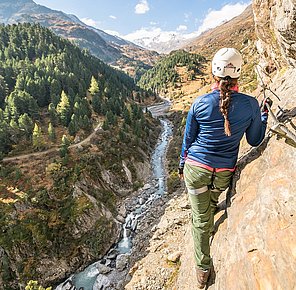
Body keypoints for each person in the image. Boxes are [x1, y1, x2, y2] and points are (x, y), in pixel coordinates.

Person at [178, 47, 270, 289]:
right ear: (239, 75)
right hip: (223, 172)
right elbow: (254, 140)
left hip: (196, 169)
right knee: (210, 201)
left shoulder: (200, 103)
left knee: (199, 218)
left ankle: (203, 268)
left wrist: (181, 166)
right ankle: (210, 209)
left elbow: (188, 141)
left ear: (213, 75)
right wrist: (263, 116)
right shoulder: (250, 104)